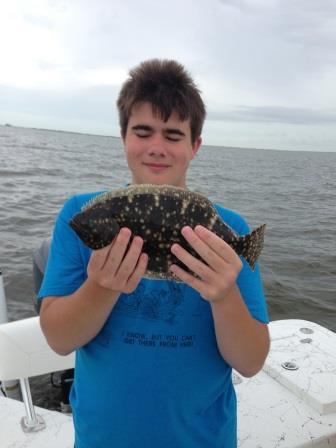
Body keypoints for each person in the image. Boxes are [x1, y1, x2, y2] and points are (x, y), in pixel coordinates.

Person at [39, 59, 270, 448]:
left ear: (195, 145)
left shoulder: (230, 231)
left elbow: (250, 362)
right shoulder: (77, 215)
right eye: (142, 131)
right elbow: (59, 339)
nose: (157, 148)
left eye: (173, 135)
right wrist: (100, 286)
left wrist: (225, 294)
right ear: (123, 136)